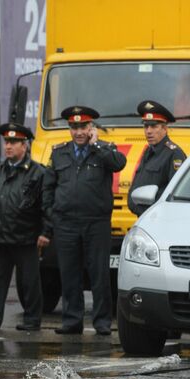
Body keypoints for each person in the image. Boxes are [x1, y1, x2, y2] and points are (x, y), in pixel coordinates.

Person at [43, 106, 126, 336]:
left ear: (91, 128)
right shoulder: (59, 152)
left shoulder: (104, 149)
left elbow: (119, 163)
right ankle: (72, 321)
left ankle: (101, 322)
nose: (78, 132)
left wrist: (96, 145)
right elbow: (48, 187)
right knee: (69, 274)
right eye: (74, 127)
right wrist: (52, 214)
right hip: (66, 223)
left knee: (99, 274)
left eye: (82, 127)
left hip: (96, 222)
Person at [0, 123, 51, 331]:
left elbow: (47, 207)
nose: (9, 146)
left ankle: (32, 320)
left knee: (29, 283)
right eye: (7, 142)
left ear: (25, 145)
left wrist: (45, 232)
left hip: (26, 238)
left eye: (14, 142)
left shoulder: (38, 173)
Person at [128, 100, 186, 216]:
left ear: (165, 129)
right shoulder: (149, 151)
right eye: (146, 126)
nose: (149, 131)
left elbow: (175, 195)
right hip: (144, 217)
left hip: (158, 218)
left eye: (154, 126)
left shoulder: (174, 154)